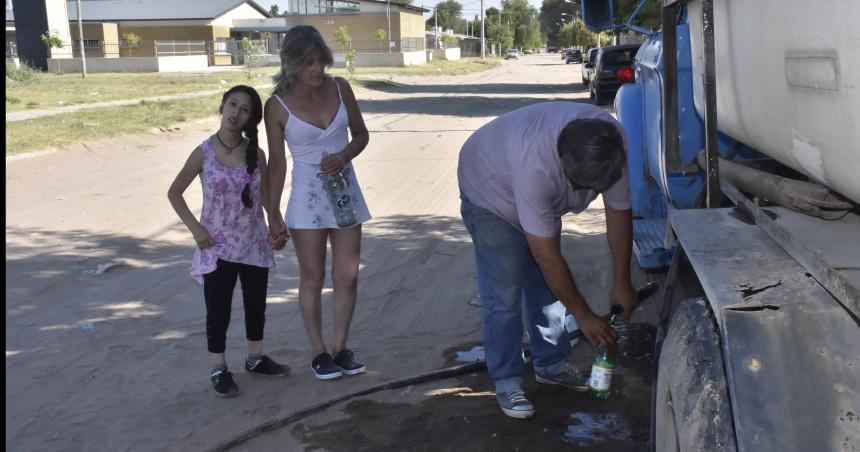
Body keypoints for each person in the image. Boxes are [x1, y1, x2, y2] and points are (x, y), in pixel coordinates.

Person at [457, 101, 637, 419]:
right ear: (564, 165)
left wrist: (623, 281)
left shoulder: (611, 145)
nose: (585, 195)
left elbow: (619, 211)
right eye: (580, 186)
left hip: (526, 182)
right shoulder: (535, 165)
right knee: (505, 290)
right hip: (489, 190)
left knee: (545, 284)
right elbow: (547, 257)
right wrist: (584, 316)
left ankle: (550, 362)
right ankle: (507, 378)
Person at [168, 85, 290, 397]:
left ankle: (255, 358)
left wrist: (278, 226)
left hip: (253, 243)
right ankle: (219, 368)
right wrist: (196, 230)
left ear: (251, 118)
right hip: (216, 247)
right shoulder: (204, 152)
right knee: (218, 311)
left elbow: (265, 201)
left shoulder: (256, 154)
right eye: (232, 104)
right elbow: (174, 192)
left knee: (255, 306)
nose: (235, 112)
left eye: (244, 109)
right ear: (222, 107)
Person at [265, 26, 371, 381]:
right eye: (308, 62)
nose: (317, 69)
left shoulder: (341, 87)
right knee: (312, 277)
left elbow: (361, 135)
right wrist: (273, 213)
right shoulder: (276, 105)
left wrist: (343, 155)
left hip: (345, 193)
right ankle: (319, 352)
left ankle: (341, 348)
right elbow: (277, 163)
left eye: (320, 61)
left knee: (348, 275)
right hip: (306, 198)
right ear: (292, 63)